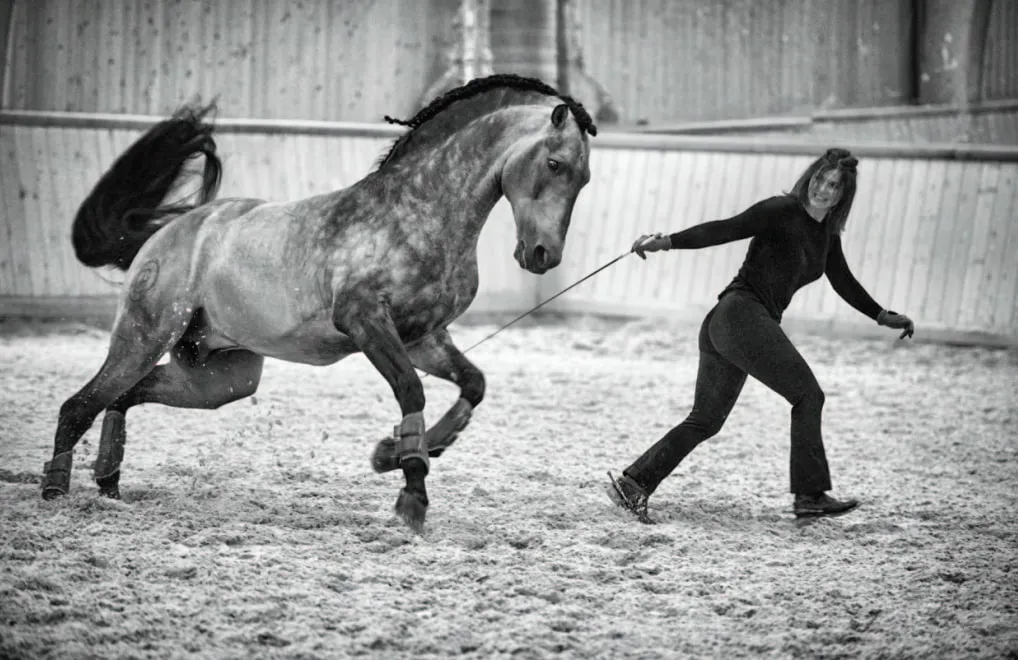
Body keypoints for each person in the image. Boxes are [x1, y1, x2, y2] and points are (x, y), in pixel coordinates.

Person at [606, 148, 915, 523]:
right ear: (810, 177)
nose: (823, 189)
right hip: (740, 315)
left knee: (706, 420)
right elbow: (725, 228)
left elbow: (843, 281)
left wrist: (880, 315)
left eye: (834, 186)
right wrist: (667, 241)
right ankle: (810, 496)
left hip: (733, 323)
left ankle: (633, 484)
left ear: (842, 196)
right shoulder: (780, 210)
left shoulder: (827, 237)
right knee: (808, 395)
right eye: (820, 179)